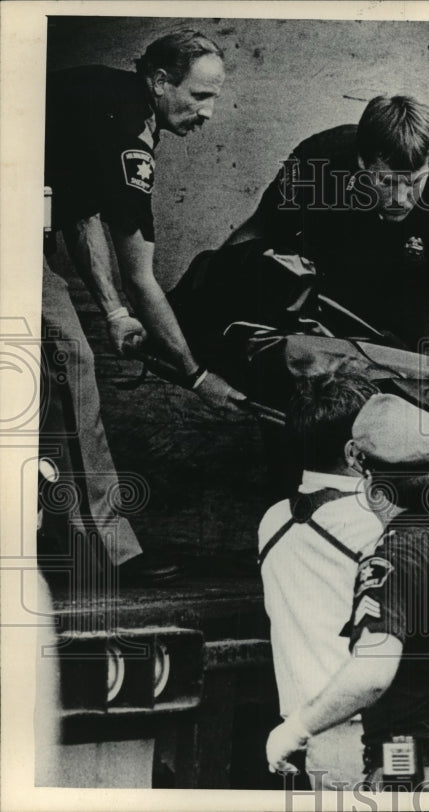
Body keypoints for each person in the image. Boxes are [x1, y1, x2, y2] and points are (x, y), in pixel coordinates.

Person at [42, 30, 244, 584]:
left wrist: (110, 314)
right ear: (159, 82)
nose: (208, 113)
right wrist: (197, 376)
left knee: (47, 378)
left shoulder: (102, 104)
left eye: (214, 98)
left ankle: (53, 540)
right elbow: (140, 278)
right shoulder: (131, 134)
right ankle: (109, 554)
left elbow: (79, 215)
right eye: (199, 96)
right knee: (71, 365)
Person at [266, 394, 429, 791]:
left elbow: (372, 674)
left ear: (362, 467)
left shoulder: (395, 553)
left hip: (425, 776)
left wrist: (294, 728)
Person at [227, 95, 429, 382]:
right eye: (387, 182)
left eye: (414, 183)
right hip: (336, 288)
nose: (400, 199)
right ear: (361, 162)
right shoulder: (316, 165)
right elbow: (255, 236)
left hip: (419, 292)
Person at [257, 371, 383, 786]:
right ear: (354, 451)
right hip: (370, 730)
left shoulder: (272, 520)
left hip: (313, 734)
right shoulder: (374, 524)